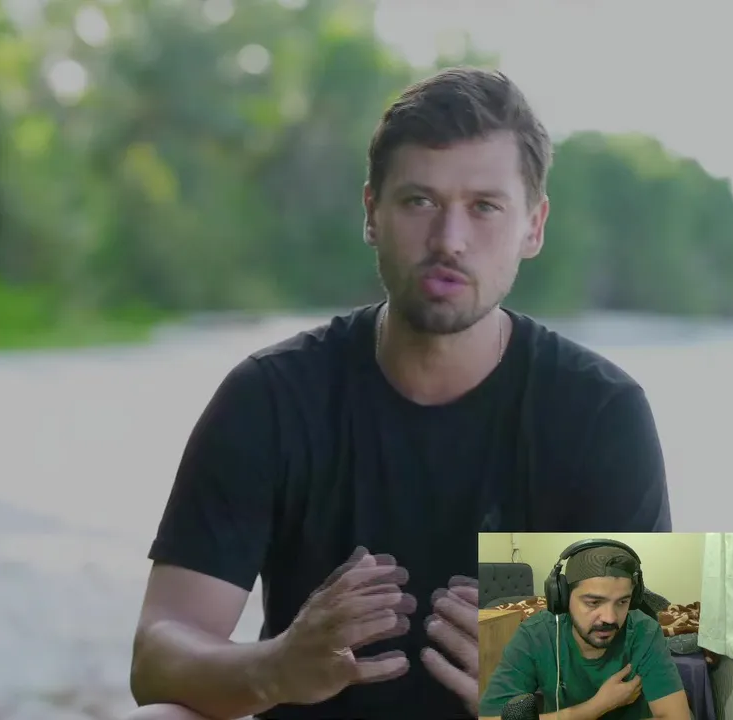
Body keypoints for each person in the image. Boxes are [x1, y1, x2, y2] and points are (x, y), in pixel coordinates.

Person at [126, 66, 673, 720]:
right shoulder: (272, 398)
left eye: (485, 207)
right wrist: (274, 668)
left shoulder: (599, 414)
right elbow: (157, 657)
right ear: (371, 214)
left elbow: (659, 693)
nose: (449, 241)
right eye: (419, 201)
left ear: (534, 226)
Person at [479, 540, 690, 719]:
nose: (609, 618)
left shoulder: (646, 632)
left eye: (622, 602)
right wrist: (596, 707)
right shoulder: (534, 636)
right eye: (593, 602)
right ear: (562, 598)